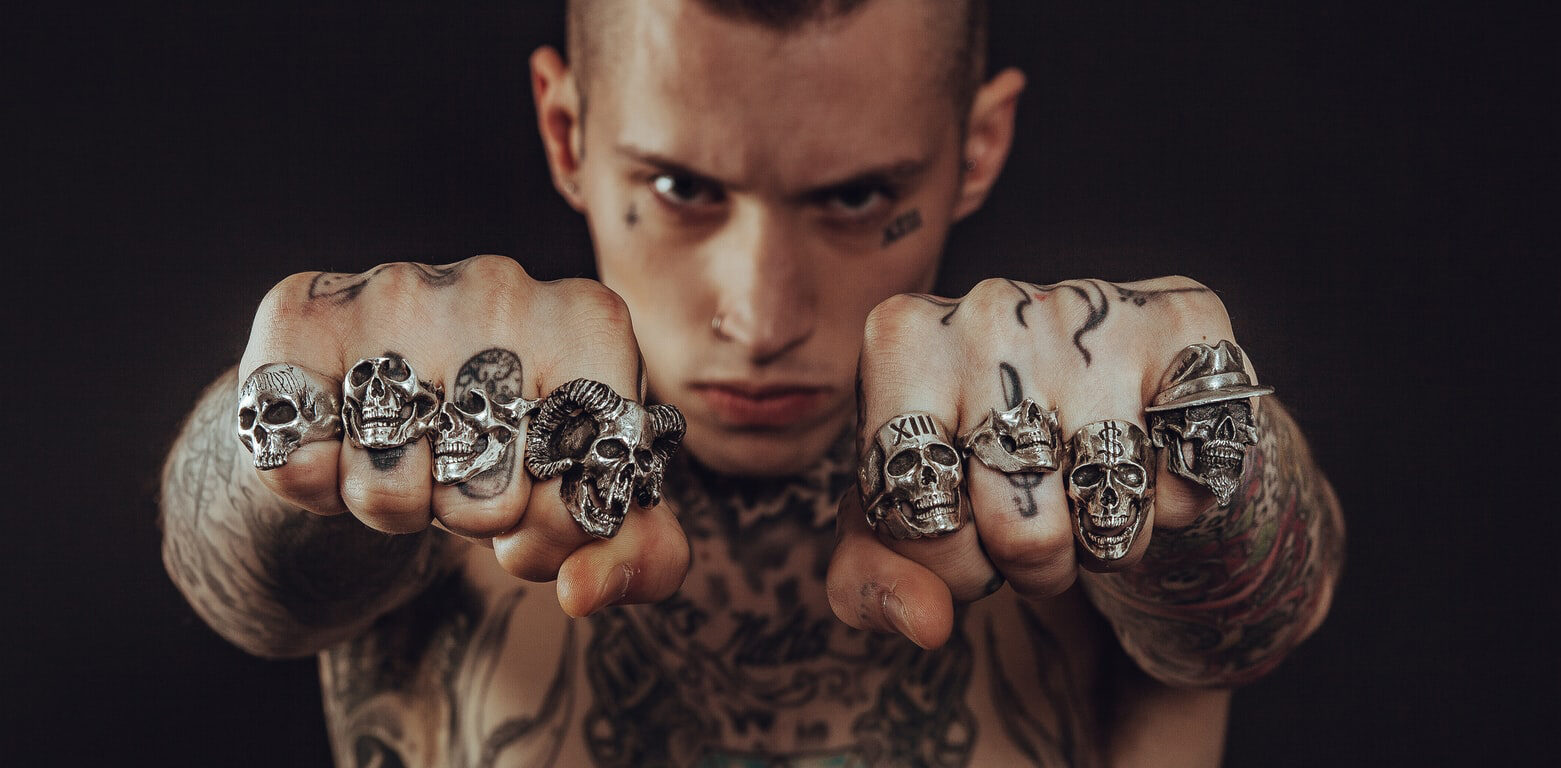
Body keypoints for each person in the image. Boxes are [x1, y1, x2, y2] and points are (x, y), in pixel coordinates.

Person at [160, 1, 1345, 765]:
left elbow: (1265, 598)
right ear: (567, 134)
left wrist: (1207, 425)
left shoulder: (1090, 485)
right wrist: (293, 417)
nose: (761, 316)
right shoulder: (424, 464)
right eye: (682, 189)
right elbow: (238, 579)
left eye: (852, 198)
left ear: (975, 149)